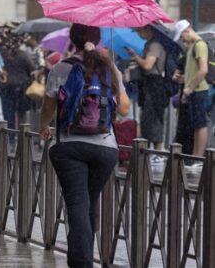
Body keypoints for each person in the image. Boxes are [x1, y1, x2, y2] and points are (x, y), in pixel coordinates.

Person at [39, 24, 130, 268]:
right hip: (105, 149)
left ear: (73, 40)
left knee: (78, 201)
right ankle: (82, 257)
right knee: (89, 200)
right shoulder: (109, 68)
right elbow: (124, 108)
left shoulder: (62, 67)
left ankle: (81, 263)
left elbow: (48, 106)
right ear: (98, 40)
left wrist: (43, 126)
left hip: (69, 146)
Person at [173, 20, 210, 169]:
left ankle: (198, 159)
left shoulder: (200, 45)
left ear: (186, 31)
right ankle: (195, 157)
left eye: (182, 37)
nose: (182, 40)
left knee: (200, 124)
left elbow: (203, 70)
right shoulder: (193, 47)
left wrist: (189, 88)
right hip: (194, 90)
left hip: (199, 90)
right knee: (196, 124)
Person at [127, 25, 168, 157]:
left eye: (139, 30)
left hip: (155, 85)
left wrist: (135, 56)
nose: (138, 34)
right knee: (147, 119)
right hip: (148, 85)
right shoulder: (149, 44)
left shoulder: (155, 45)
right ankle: (151, 151)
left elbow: (148, 65)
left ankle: (157, 153)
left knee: (153, 118)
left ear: (148, 29)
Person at [0, 47, 35, 139]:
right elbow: (32, 70)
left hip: (6, 87)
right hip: (21, 87)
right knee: (21, 113)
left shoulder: (0, 54)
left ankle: (10, 137)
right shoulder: (23, 54)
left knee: (8, 113)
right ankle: (22, 136)